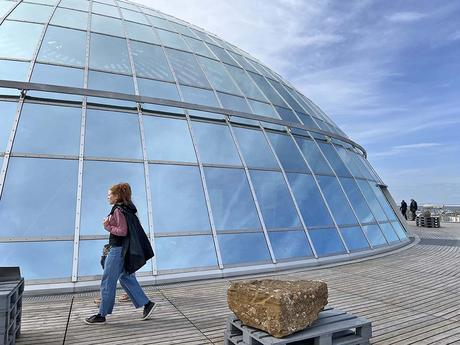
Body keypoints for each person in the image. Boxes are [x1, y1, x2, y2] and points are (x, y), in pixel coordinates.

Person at [85, 183, 155, 325]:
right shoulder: (128, 209)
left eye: (109, 194)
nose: (107, 196)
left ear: (117, 196)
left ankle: (101, 314)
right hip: (124, 249)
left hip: (117, 250)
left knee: (107, 281)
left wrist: (107, 226)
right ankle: (147, 304)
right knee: (125, 278)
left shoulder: (117, 210)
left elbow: (122, 231)